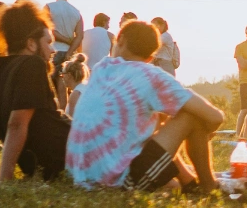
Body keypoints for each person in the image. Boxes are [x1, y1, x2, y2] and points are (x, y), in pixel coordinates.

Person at [67, 20, 224, 192]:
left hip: (81, 175)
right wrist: (199, 133)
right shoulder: (150, 75)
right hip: (116, 182)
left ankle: (188, 182)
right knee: (191, 117)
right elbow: (215, 117)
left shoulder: (101, 68)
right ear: (150, 58)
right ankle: (209, 187)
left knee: (155, 119)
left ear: (119, 40)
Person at [0, 0, 71, 181]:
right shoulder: (32, 65)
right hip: (69, 154)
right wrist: (5, 179)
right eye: (48, 42)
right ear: (31, 44)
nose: (52, 50)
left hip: (55, 157)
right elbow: (16, 124)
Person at [45, 0, 84, 109]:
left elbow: (47, 30)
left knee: (47, 85)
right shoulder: (76, 12)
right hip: (68, 53)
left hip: (52, 50)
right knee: (63, 88)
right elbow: (80, 35)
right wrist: (70, 50)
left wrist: (64, 39)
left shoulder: (48, 7)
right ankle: (63, 115)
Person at [61, 53, 91, 119]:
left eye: (63, 74)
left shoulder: (76, 94)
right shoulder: (86, 88)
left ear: (69, 75)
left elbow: (72, 122)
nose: (62, 77)